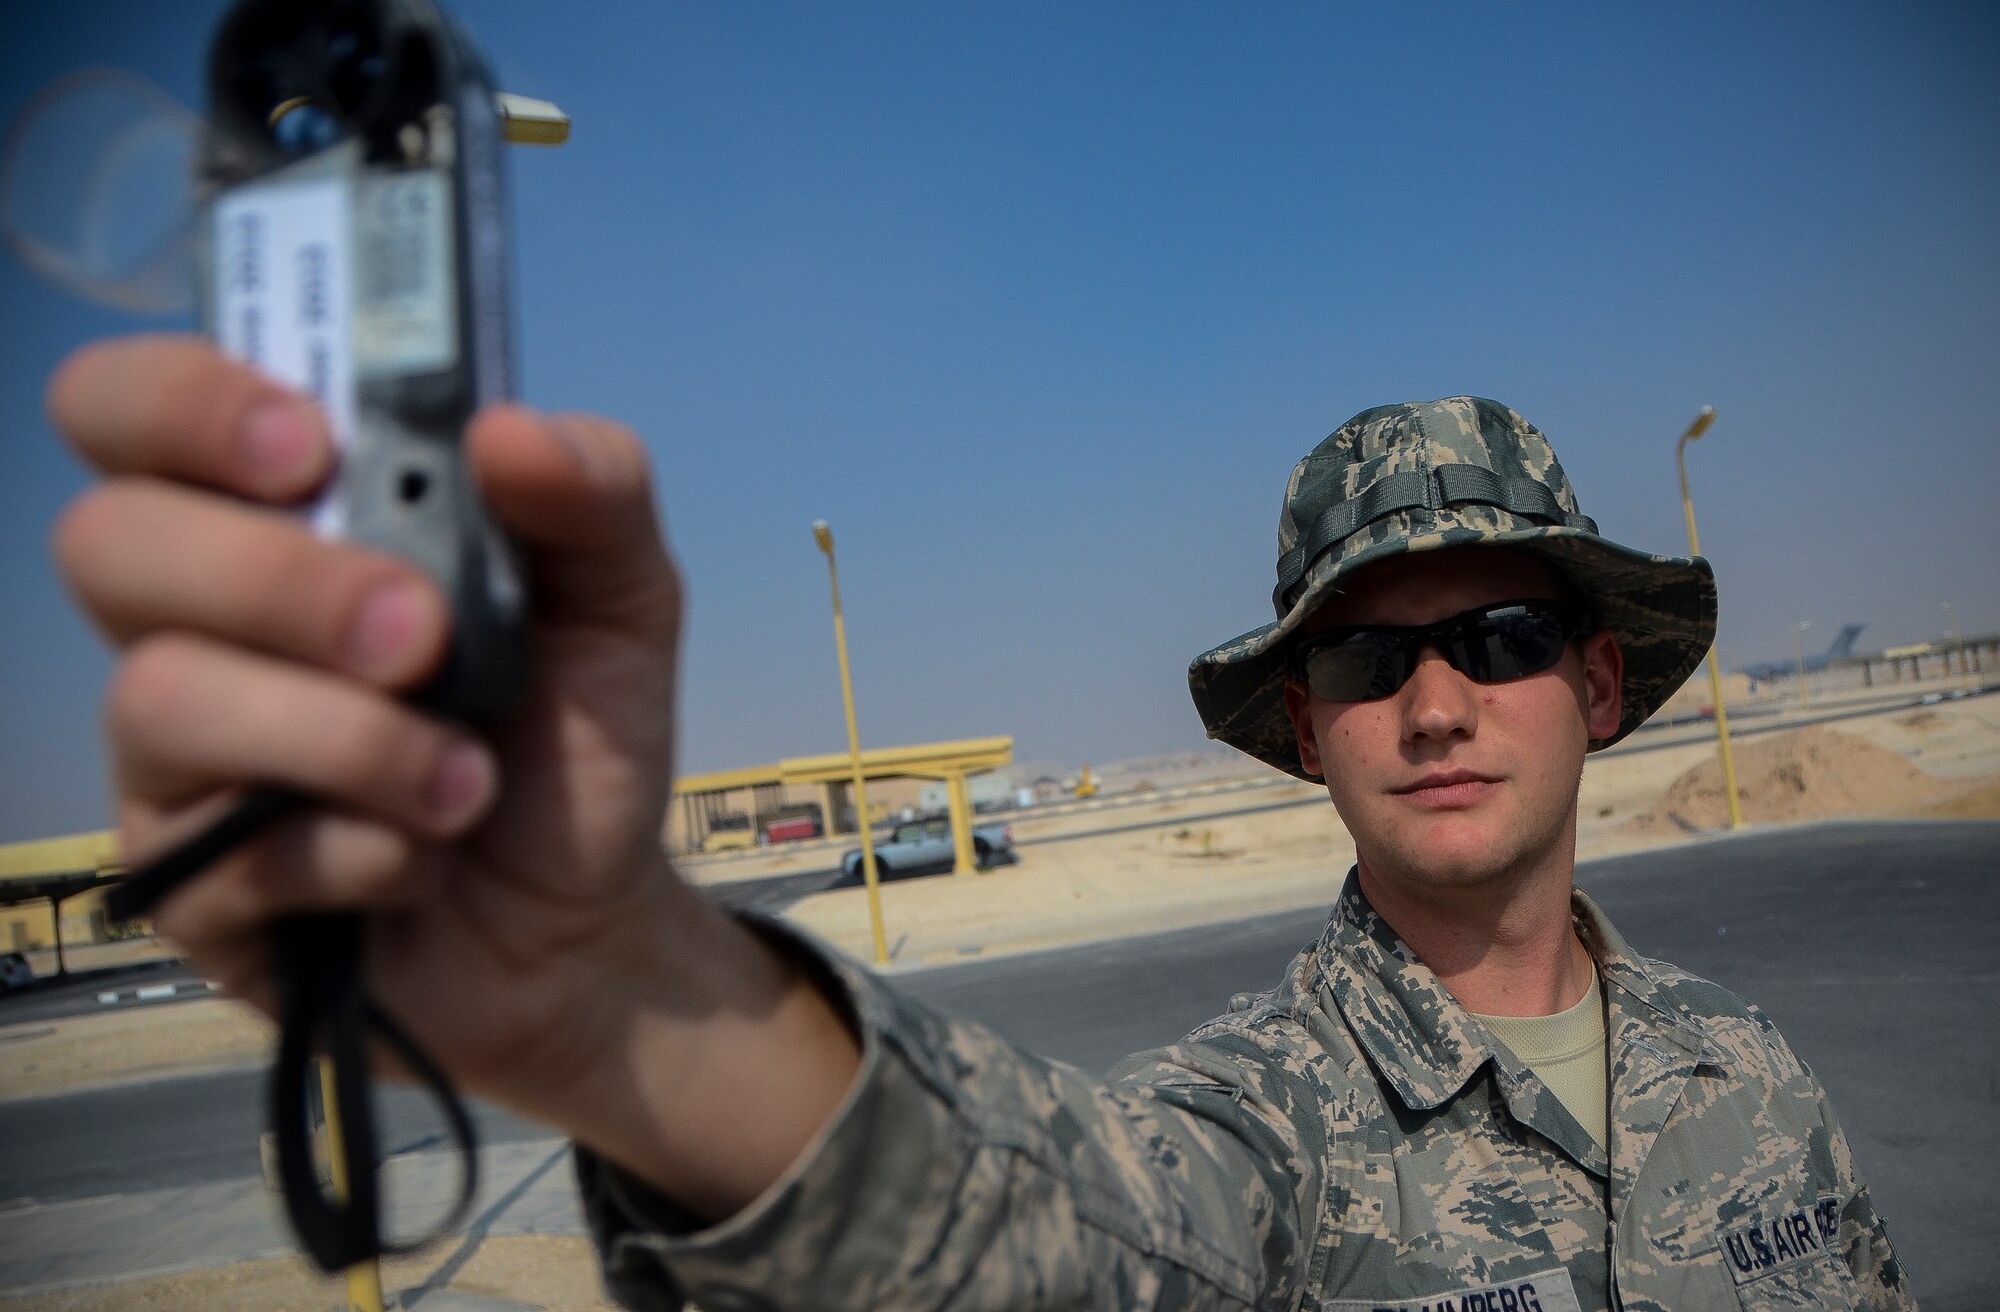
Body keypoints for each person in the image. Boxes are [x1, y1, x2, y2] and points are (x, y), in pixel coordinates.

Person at [47, 340, 1913, 1310]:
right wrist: (639, 1008)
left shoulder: (1749, 1072)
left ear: (1595, 683)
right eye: (1367, 658)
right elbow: (1056, 1239)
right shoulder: (1260, 1125)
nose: (1434, 703)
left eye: (1500, 639)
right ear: (1304, 722)